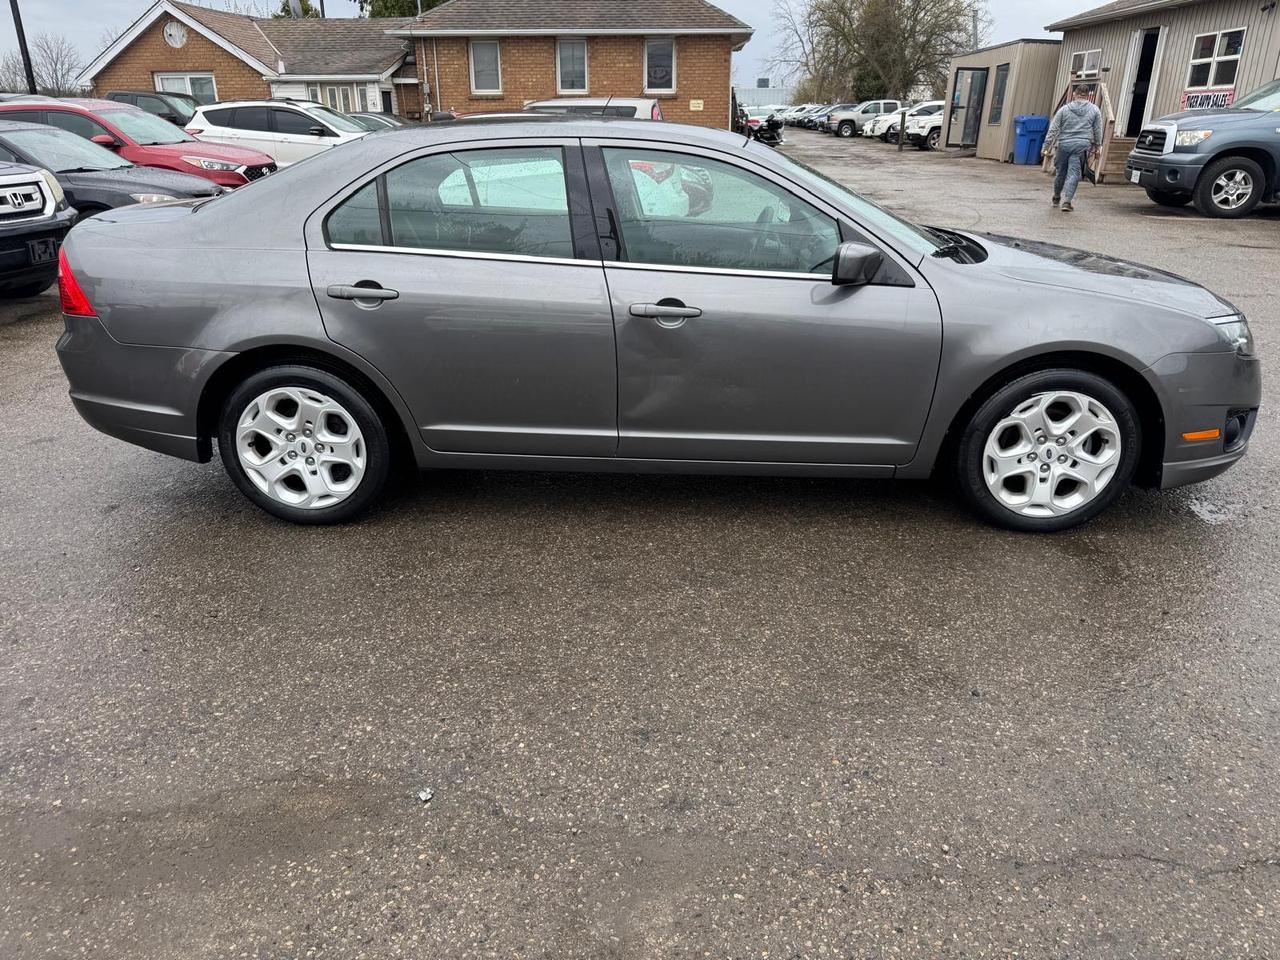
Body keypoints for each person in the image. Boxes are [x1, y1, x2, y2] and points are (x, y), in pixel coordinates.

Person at [1045, 85, 1103, 212]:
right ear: (1088, 95)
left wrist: (1046, 146)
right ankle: (1067, 202)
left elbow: (1053, 129)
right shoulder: (1094, 110)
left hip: (1064, 145)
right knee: (1074, 173)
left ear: (1075, 94)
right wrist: (1098, 146)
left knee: (1061, 172)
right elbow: (1098, 130)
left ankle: (1056, 198)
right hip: (1081, 146)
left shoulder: (1064, 109)